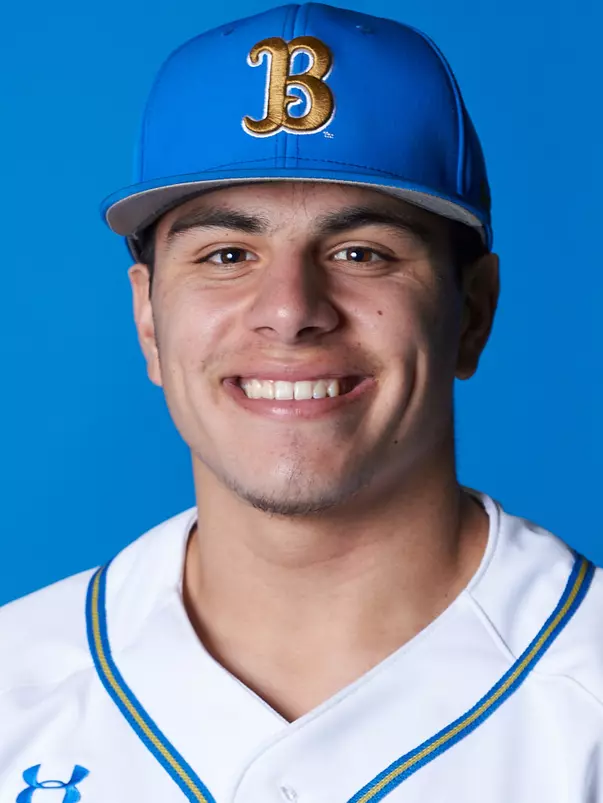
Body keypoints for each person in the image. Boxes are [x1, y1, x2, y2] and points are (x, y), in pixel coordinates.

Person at [1, 3, 601, 801]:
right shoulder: (18, 687)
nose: (289, 309)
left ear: (473, 312)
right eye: (226, 253)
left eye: (361, 252)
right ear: (148, 318)